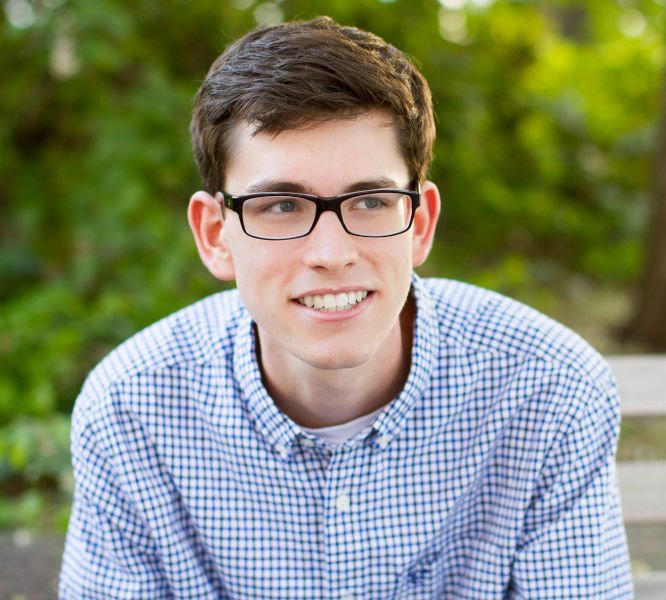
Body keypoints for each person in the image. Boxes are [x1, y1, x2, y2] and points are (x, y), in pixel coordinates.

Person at [59, 16, 633, 599]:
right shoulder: (131, 411)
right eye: (281, 205)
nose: (331, 254)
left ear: (420, 224)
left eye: (371, 201)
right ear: (215, 235)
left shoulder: (550, 389)